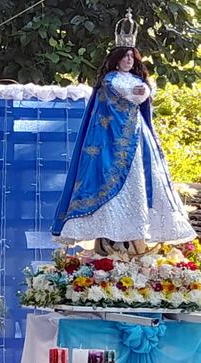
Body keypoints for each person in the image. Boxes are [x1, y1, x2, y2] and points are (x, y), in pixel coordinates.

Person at [51, 13, 196, 253]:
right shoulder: (110, 80)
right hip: (111, 140)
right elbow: (129, 95)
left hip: (137, 138)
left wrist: (143, 91)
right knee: (109, 179)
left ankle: (135, 234)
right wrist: (141, 91)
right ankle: (111, 232)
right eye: (125, 56)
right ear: (116, 60)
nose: (129, 59)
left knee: (141, 179)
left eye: (132, 56)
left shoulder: (138, 80)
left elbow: (143, 94)